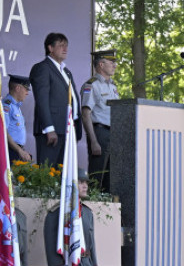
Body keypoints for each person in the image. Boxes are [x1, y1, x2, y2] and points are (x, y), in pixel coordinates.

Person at [44, 170, 100, 266]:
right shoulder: (57, 214)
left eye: (86, 183)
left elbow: (92, 247)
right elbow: (51, 248)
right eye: (81, 182)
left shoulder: (87, 213)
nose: (85, 186)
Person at [29, 32, 82, 168]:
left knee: (63, 175)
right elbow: (42, 100)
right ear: (50, 48)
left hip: (68, 130)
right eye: (61, 45)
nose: (65, 49)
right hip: (52, 131)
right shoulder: (42, 68)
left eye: (66, 46)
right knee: (48, 174)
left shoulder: (66, 71)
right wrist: (49, 128)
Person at [81, 50, 119, 193]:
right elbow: (86, 114)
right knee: (97, 176)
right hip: (100, 133)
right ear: (101, 64)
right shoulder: (91, 85)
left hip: (113, 134)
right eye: (111, 62)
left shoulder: (113, 86)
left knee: (111, 178)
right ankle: (92, 210)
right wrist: (93, 141)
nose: (115, 65)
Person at [3, 74, 32, 163]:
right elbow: (4, 131)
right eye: (26, 89)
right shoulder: (6, 105)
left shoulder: (16, 106)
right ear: (18, 88)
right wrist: (19, 150)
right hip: (9, 150)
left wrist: (21, 150)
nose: (27, 93)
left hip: (15, 150)